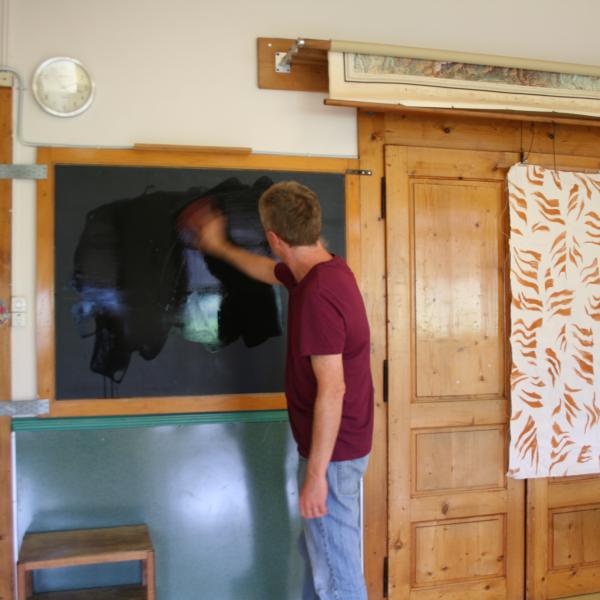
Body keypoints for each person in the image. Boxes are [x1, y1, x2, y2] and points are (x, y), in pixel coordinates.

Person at [179, 181, 374, 600]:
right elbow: (268, 270)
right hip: (338, 446)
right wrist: (220, 247)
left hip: (334, 454)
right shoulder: (321, 271)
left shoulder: (319, 295)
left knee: (338, 573)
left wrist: (318, 475)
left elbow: (333, 389)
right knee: (323, 558)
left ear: (273, 237)